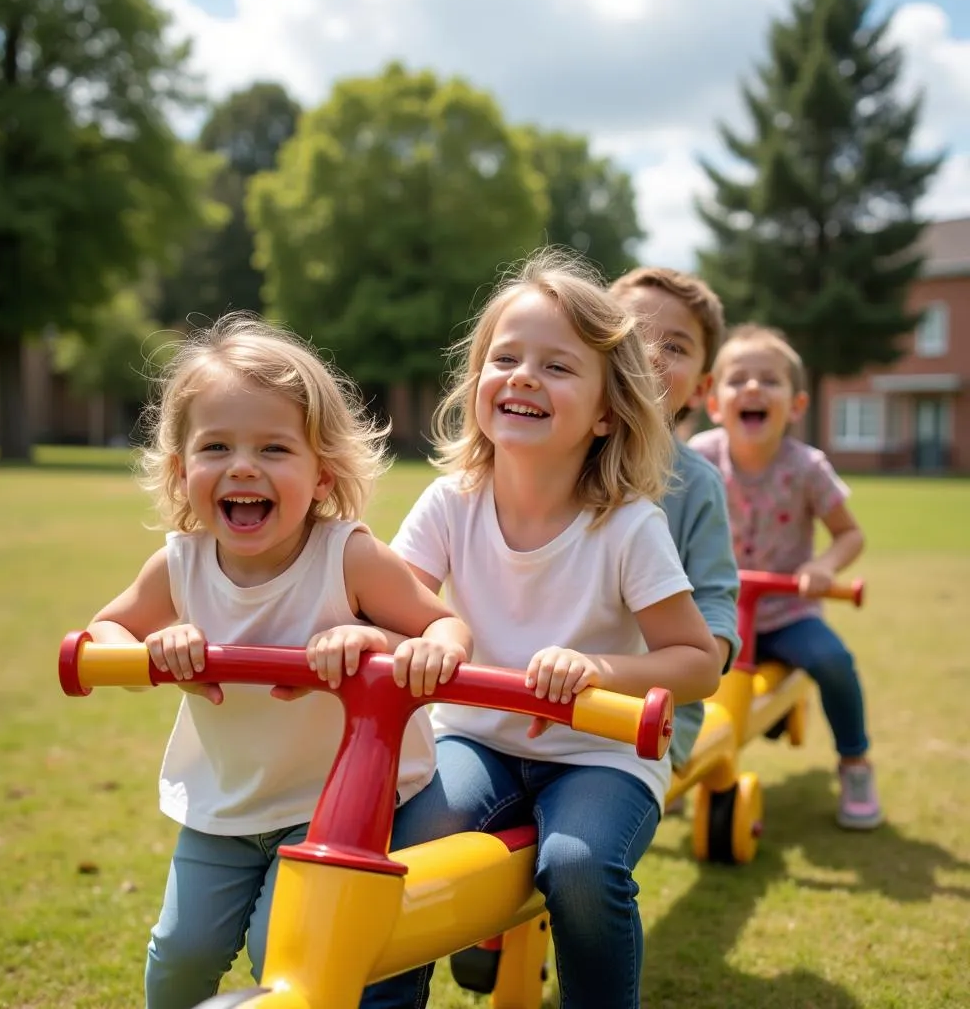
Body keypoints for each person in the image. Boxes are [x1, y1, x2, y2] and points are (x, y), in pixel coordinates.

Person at [361, 250, 721, 1009]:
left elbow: (697, 664)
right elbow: (387, 611)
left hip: (600, 752)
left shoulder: (628, 527)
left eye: (557, 366)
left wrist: (597, 670)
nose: (523, 376)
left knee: (579, 867)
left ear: (605, 412)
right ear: (478, 382)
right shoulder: (449, 502)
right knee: (405, 849)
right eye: (506, 358)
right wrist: (403, 641)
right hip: (478, 737)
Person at [85, 316, 472, 1009]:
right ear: (182, 470)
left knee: (285, 952)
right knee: (181, 955)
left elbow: (443, 625)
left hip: (335, 807)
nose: (242, 466)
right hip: (224, 804)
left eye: (273, 447)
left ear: (321, 475)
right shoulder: (179, 565)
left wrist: (392, 648)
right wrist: (150, 652)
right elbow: (105, 630)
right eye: (215, 446)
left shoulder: (347, 557)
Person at [690, 323, 881, 830]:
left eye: (769, 381)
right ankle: (665, 761)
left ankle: (855, 762)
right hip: (716, 611)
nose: (752, 389)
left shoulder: (808, 467)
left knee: (833, 660)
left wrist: (821, 567)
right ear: (714, 402)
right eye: (738, 380)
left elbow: (849, 534)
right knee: (668, 669)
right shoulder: (696, 459)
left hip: (786, 612)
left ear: (796, 406)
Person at [608, 267, 741, 782]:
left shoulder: (696, 483)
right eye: (632, 333)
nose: (651, 354)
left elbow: (714, 600)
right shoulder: (558, 454)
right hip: (540, 695)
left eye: (677, 347)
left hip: (650, 708)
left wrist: (696, 664)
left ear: (703, 387)